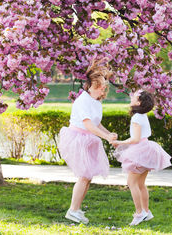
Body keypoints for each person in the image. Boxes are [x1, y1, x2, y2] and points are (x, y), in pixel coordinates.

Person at [58, 61, 117, 224]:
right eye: (100, 86)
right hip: (78, 139)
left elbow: (97, 123)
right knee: (84, 175)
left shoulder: (96, 102)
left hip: (88, 139)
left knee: (88, 176)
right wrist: (105, 137)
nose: (103, 89)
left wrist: (109, 135)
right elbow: (88, 125)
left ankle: (76, 208)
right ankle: (73, 210)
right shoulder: (83, 100)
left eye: (104, 86)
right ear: (92, 85)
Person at [111, 90, 172, 226]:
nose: (131, 97)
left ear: (138, 102)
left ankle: (140, 213)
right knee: (140, 184)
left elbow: (135, 139)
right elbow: (138, 137)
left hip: (140, 151)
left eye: (134, 97)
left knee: (132, 183)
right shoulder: (142, 115)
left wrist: (120, 142)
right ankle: (146, 211)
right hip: (146, 149)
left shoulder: (137, 117)